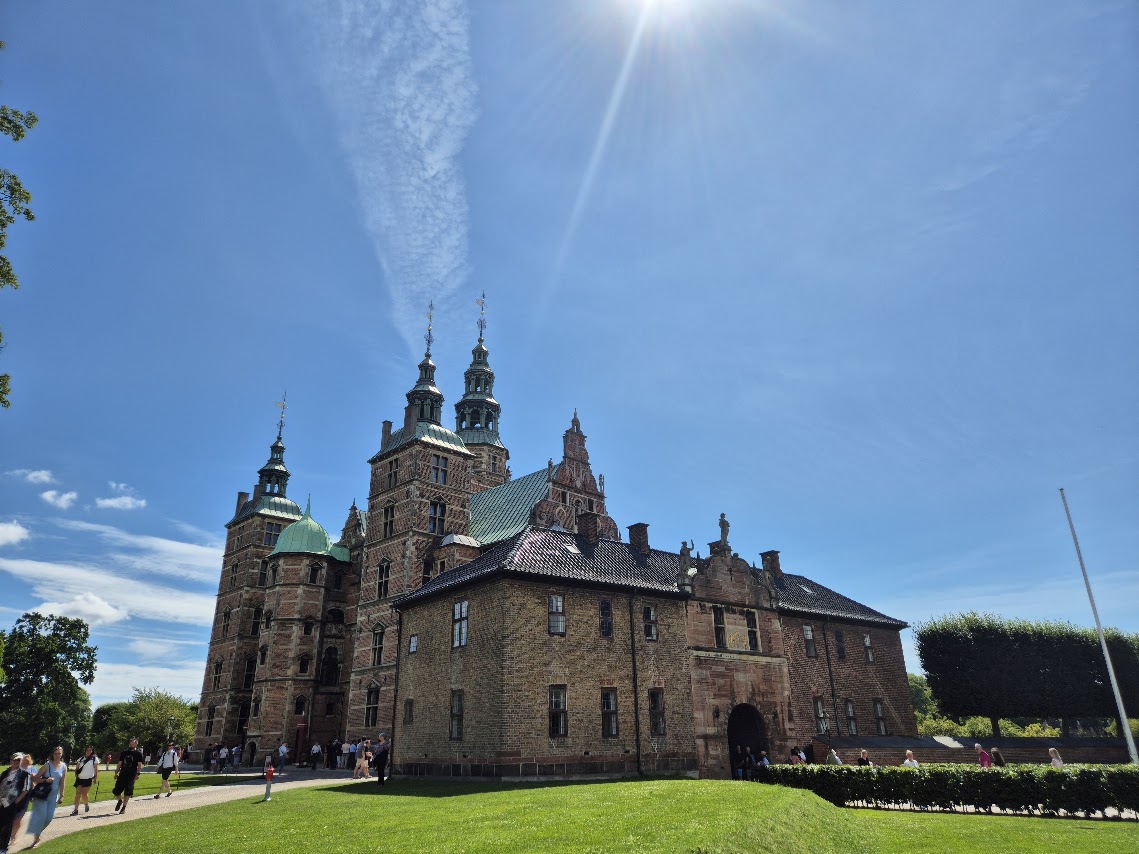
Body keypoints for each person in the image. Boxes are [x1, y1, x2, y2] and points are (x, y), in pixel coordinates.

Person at [26, 745, 67, 848]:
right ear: (53, 754)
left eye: (59, 753)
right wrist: (45, 780)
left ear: (62, 754)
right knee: (42, 816)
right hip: (42, 795)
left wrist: (62, 795)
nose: (57, 755)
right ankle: (36, 838)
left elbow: (62, 782)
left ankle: (37, 834)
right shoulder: (47, 765)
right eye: (55, 753)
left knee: (49, 818)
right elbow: (35, 779)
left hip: (53, 797)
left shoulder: (64, 766)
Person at [0, 753, 32, 854]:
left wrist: (16, 801)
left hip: (11, 803)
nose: (16, 762)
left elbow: (25, 789)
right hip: (1, 802)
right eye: (14, 760)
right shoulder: (5, 773)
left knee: (7, 826)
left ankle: (3, 848)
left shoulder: (25, 774)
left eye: (18, 760)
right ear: (11, 761)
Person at [112, 738, 144, 815]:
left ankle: (124, 807)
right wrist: (116, 772)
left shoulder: (138, 754)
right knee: (116, 791)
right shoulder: (124, 752)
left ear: (136, 744)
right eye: (130, 744)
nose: (131, 745)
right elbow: (120, 763)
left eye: (133, 744)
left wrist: (138, 774)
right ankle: (119, 801)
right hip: (122, 774)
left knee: (128, 792)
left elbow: (139, 765)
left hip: (131, 775)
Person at [8, 756, 34, 848]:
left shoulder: (30, 770)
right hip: (11, 798)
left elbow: (29, 786)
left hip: (23, 799)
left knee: (18, 818)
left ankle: (13, 837)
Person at [69, 747, 98, 815]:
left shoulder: (94, 759)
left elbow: (96, 769)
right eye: (87, 750)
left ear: (92, 751)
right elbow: (77, 767)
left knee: (84, 793)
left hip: (88, 778)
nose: (88, 751)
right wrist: (76, 773)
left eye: (90, 750)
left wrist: (95, 778)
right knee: (78, 793)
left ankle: (86, 804)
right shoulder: (81, 759)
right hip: (80, 778)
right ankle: (76, 809)